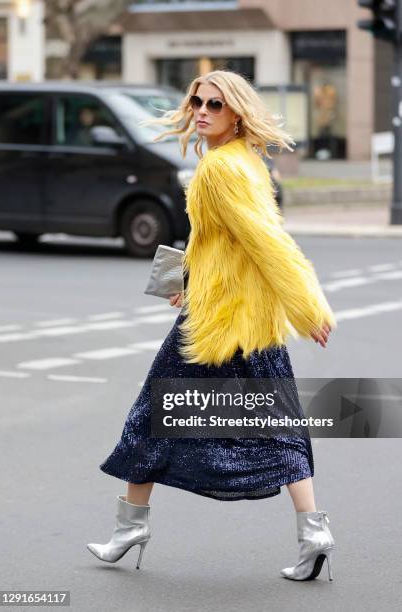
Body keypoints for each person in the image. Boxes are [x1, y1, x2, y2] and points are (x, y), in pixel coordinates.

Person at [87, 70, 337, 581]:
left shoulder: (220, 170)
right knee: (280, 423)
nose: (201, 110)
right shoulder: (243, 162)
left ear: (237, 113)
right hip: (247, 318)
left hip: (215, 323)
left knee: (151, 416)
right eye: (197, 101)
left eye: (215, 105)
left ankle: (130, 527)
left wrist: (309, 309)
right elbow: (216, 240)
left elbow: (267, 243)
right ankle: (314, 530)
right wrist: (182, 279)